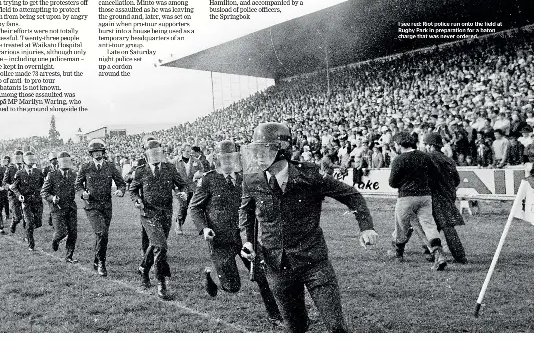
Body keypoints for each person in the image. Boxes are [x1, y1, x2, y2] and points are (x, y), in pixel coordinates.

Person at [240, 122, 378, 333]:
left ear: (282, 149)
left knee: (336, 327)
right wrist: (248, 240)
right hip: (277, 265)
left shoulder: (310, 175)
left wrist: (366, 227)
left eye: (264, 150)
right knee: (295, 328)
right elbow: (247, 213)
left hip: (314, 262)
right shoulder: (251, 180)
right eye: (255, 150)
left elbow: (352, 195)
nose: (257, 156)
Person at [189, 139, 283, 326]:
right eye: (225, 159)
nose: (229, 162)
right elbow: (195, 208)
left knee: (263, 276)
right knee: (232, 287)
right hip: (220, 240)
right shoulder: (208, 180)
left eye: (232, 158)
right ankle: (212, 278)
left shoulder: (245, 178)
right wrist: (204, 228)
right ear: (217, 159)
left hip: (244, 238)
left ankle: (275, 316)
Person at [128, 139, 188, 299]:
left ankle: (143, 268)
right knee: (160, 247)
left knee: (156, 244)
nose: (155, 156)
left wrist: (183, 193)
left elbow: (183, 185)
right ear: (146, 156)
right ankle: (160, 283)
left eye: (157, 153)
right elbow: (132, 190)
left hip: (166, 214)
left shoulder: (170, 168)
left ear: (162, 153)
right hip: (148, 214)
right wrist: (137, 200)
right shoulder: (141, 171)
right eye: (151, 154)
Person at [388, 131, 448, 270]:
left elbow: (392, 183)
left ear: (399, 144)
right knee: (429, 226)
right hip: (425, 197)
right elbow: (436, 175)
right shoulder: (425, 156)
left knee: (401, 227)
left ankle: (398, 254)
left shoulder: (398, 159)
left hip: (406, 197)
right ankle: (439, 255)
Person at [74, 139, 127, 276]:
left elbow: (121, 183)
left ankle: (97, 259)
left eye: (100, 151)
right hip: (91, 206)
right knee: (102, 232)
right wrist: (82, 194)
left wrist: (121, 191)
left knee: (103, 235)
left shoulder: (110, 166)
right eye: (95, 152)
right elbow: (78, 185)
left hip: (106, 206)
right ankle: (102, 263)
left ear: (103, 152)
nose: (98, 154)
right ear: (91, 153)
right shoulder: (85, 167)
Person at [420, 133, 467, 264]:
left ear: (431, 146)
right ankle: (429, 252)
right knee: (439, 225)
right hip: (448, 195)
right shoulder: (449, 160)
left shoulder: (428, 158)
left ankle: (459, 256)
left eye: (426, 145)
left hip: (435, 195)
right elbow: (456, 180)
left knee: (440, 226)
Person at [41, 151, 79, 263]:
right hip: (57, 208)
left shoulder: (73, 175)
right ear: (59, 162)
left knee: (73, 232)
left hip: (71, 207)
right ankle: (55, 241)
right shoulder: (52, 175)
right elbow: (44, 192)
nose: (66, 163)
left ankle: (69, 256)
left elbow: (79, 187)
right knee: (61, 232)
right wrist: (52, 198)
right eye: (64, 161)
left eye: (68, 161)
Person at [10, 151, 45, 250]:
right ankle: (31, 244)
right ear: (24, 161)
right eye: (28, 159)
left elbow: (44, 185)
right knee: (29, 223)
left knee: (38, 223)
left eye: (32, 159)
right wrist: (19, 195)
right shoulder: (19, 173)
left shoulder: (38, 172)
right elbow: (14, 187)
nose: (31, 161)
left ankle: (27, 232)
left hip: (37, 201)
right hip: (26, 201)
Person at [173, 144, 206, 235]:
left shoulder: (196, 161)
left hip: (193, 187)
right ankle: (178, 223)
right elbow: (171, 174)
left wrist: (198, 175)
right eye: (187, 151)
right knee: (183, 205)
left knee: (195, 206)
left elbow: (202, 171)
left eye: (190, 151)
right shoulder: (175, 161)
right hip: (181, 187)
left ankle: (202, 226)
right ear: (182, 151)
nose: (189, 153)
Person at [4, 152, 22, 232]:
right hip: (13, 195)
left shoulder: (26, 168)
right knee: (18, 216)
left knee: (26, 216)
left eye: (20, 157)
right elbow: (4, 183)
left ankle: (27, 234)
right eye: (17, 157)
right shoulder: (10, 169)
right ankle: (14, 223)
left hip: (24, 195)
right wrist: (10, 186)